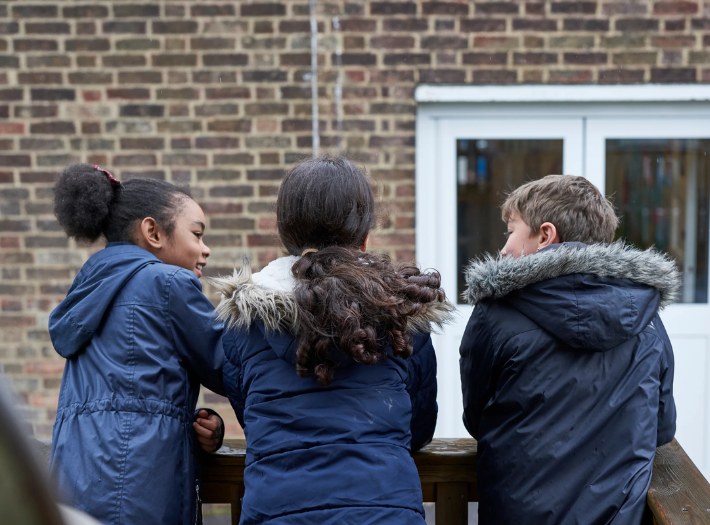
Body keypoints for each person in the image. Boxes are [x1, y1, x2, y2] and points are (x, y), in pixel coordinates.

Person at [211, 155, 453, 524]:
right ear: (366, 234)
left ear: (284, 231)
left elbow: (253, 417)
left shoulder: (246, 324)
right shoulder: (404, 316)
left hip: (279, 512)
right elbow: (418, 426)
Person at [459, 174, 679, 524]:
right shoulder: (646, 319)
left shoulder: (497, 314)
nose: (503, 249)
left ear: (546, 235)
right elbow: (662, 427)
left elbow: (477, 417)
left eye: (511, 232)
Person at [48, 163, 226, 525]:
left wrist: (196, 426)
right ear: (153, 232)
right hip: (140, 486)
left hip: (73, 480)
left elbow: (132, 389)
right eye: (197, 234)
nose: (205, 250)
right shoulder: (169, 283)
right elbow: (228, 366)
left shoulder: (90, 286)